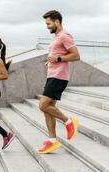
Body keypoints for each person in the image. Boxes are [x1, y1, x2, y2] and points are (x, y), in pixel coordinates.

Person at [38, 10, 80, 154]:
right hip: (53, 75)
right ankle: (52, 141)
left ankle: (69, 122)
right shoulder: (57, 37)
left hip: (59, 77)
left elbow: (76, 55)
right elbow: (57, 55)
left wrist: (58, 59)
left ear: (57, 21)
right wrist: (51, 61)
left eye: (49, 23)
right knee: (47, 110)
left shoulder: (65, 36)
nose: (47, 26)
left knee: (43, 105)